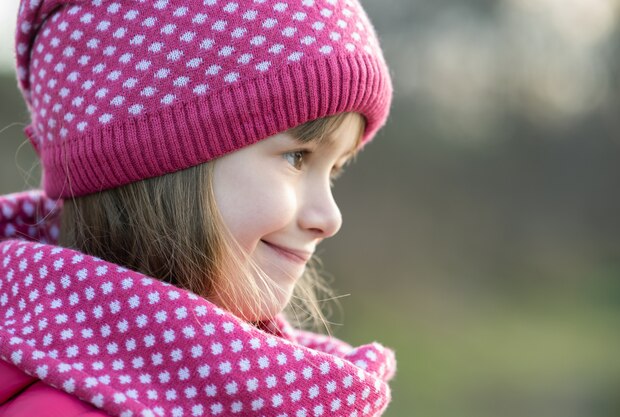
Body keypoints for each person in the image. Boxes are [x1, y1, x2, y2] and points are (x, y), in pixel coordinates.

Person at [0, 0, 396, 416]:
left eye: (333, 171)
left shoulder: (254, 383)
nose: (329, 218)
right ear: (158, 157)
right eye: (297, 157)